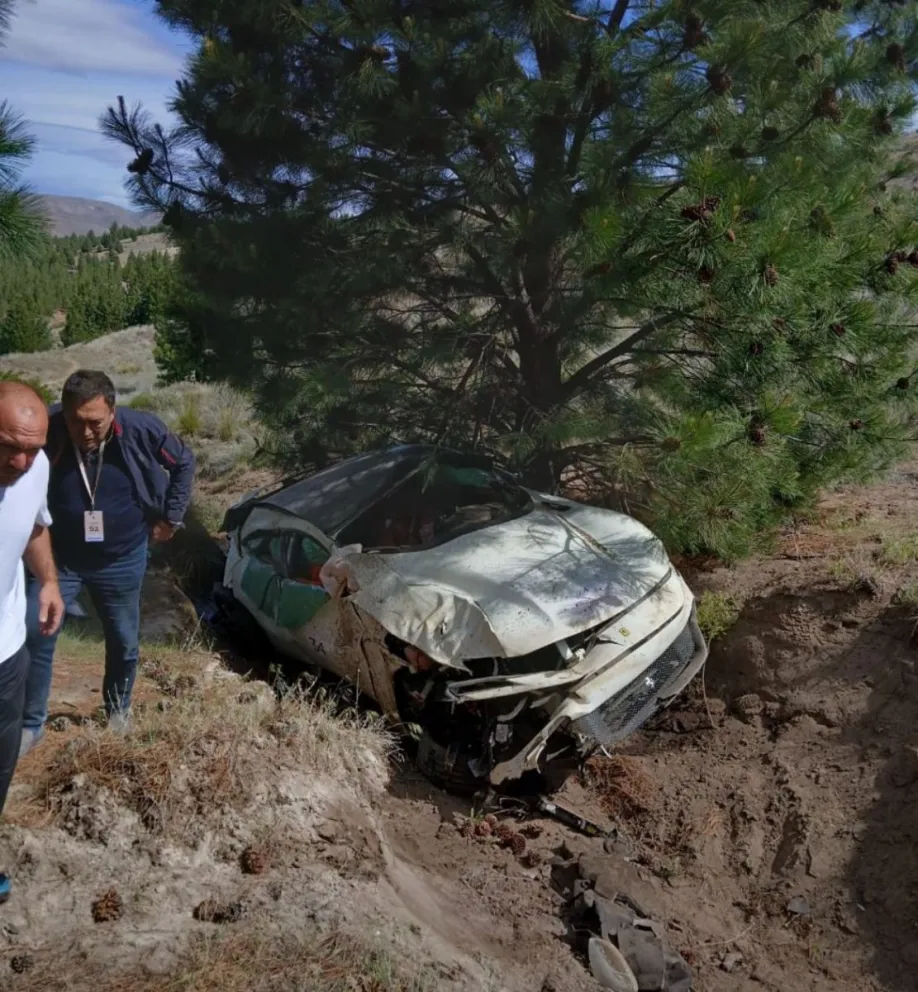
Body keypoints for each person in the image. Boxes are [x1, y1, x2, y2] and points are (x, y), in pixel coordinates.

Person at [20, 370, 195, 756]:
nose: (85, 432)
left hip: (122, 556)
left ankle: (118, 710)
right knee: (37, 632)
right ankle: (31, 724)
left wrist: (172, 516)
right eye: (75, 421)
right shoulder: (46, 429)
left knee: (123, 639)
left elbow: (183, 462)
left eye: (94, 422)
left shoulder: (140, 429)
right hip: (59, 557)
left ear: (112, 411)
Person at [0, 383, 64, 904]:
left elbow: (36, 527)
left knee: (0, 763)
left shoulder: (35, 469)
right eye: (7, 446)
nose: (21, 461)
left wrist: (48, 581)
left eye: (32, 448)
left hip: (6, 651)